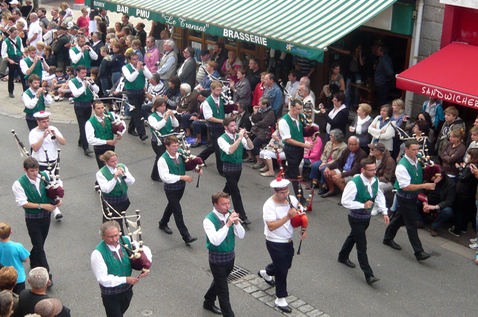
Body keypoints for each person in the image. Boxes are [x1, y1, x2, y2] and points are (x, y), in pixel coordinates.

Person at [258, 178, 307, 313]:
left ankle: (266, 272)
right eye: (282, 193)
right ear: (275, 191)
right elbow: (271, 226)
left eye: (287, 191)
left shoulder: (291, 199)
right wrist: (287, 217)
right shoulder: (269, 205)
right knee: (282, 270)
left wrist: (303, 228)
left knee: (286, 265)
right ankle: (280, 298)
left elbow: (299, 213)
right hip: (274, 241)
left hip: (288, 240)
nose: (285, 195)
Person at [338, 158, 389, 285]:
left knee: (353, 236)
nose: (374, 172)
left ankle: (342, 256)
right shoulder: (354, 183)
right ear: (362, 170)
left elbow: (378, 195)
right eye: (371, 170)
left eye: (375, 169)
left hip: (366, 218)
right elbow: (345, 201)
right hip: (356, 218)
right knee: (362, 245)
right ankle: (369, 274)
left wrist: (384, 212)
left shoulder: (375, 180)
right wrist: (362, 205)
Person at [382, 139, 436, 261]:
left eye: (417, 149)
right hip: (405, 197)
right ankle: (419, 252)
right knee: (411, 224)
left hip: (413, 196)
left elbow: (423, 169)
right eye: (413, 150)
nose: (416, 152)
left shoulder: (417, 158)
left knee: (400, 217)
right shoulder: (401, 166)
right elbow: (405, 186)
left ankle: (387, 238)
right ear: (405, 150)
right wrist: (424, 186)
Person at [11, 157, 61, 282]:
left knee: (39, 245)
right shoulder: (18, 184)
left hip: (46, 217)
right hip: (32, 219)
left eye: (37, 170)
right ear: (25, 170)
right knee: (39, 246)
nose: (35, 174)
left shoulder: (43, 176)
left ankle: (33, 262)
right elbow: (22, 203)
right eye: (32, 171)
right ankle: (47, 276)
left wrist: (57, 200)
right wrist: (42, 205)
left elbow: (52, 190)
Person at [91, 221, 150, 317]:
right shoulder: (97, 254)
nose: (114, 239)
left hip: (127, 290)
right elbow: (103, 279)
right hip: (111, 295)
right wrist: (126, 279)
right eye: (110, 236)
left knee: (121, 312)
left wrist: (146, 266)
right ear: (103, 236)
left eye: (116, 235)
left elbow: (144, 250)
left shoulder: (126, 240)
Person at [203, 192, 245, 316]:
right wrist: (228, 224)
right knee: (223, 291)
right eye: (223, 204)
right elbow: (215, 240)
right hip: (217, 260)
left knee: (219, 282)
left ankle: (208, 301)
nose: (227, 206)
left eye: (228, 203)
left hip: (230, 257)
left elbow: (241, 236)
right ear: (215, 205)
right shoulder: (208, 220)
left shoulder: (230, 215)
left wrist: (236, 223)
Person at [157, 136, 201, 244]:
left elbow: (186, 164)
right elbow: (165, 177)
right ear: (167, 146)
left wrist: (196, 169)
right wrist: (182, 177)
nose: (176, 148)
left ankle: (163, 223)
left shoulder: (180, 153)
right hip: (171, 188)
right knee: (177, 211)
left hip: (181, 186)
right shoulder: (163, 160)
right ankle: (186, 236)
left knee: (171, 206)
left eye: (177, 145)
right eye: (173, 146)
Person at [29, 111, 65, 220]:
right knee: (45, 186)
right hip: (40, 164)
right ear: (38, 121)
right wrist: (43, 137)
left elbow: (63, 142)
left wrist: (55, 134)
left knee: (54, 185)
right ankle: (54, 208)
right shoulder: (33, 133)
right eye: (44, 122)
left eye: (48, 121)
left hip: (53, 162)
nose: (47, 124)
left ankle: (54, 205)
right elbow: (35, 148)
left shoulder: (53, 128)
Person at [218, 117, 253, 224]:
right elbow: (230, 151)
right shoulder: (221, 139)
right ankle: (242, 216)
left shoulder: (239, 136)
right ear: (226, 127)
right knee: (235, 192)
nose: (235, 128)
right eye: (232, 126)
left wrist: (246, 137)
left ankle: (217, 202)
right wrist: (239, 138)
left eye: (235, 125)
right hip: (228, 168)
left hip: (238, 167)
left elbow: (251, 147)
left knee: (228, 190)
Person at [279, 99, 314, 203]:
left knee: (291, 171)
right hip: (291, 149)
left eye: (300, 109)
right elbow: (287, 139)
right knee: (295, 174)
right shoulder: (284, 121)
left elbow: (304, 130)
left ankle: (282, 185)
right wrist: (305, 145)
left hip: (299, 148)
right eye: (297, 109)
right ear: (291, 107)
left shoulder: (301, 117)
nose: (299, 111)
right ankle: (301, 199)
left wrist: (313, 134)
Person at [96, 151, 135, 226]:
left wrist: (125, 174)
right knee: (116, 223)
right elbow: (106, 189)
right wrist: (115, 178)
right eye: (112, 161)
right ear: (106, 162)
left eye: (116, 160)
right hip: (111, 201)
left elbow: (132, 182)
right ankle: (117, 236)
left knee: (116, 219)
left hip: (123, 199)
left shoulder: (122, 166)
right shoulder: (100, 173)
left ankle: (108, 232)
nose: (115, 163)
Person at [198, 81, 227, 175]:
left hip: (222, 126)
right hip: (213, 127)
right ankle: (221, 169)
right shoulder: (207, 102)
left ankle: (200, 158)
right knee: (218, 148)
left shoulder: (221, 98)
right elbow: (209, 118)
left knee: (214, 146)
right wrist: (222, 121)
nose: (219, 92)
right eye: (217, 90)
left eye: (220, 90)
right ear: (212, 90)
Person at [69, 65, 98, 156]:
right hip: (79, 105)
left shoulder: (87, 80)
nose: (84, 75)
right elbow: (76, 94)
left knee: (86, 123)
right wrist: (84, 87)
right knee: (83, 125)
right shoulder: (72, 82)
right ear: (77, 72)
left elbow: (97, 90)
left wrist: (92, 83)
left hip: (88, 104)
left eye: (85, 73)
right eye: (82, 73)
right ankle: (86, 147)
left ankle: (81, 141)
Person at [86, 101, 125, 169]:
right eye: (98, 108)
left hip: (111, 146)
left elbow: (122, 123)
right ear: (94, 109)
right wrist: (106, 142)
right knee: (103, 169)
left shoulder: (111, 115)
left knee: (112, 166)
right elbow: (90, 140)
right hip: (99, 148)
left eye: (102, 108)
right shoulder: (90, 122)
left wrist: (121, 133)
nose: (101, 110)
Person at [448, 148, 478, 237]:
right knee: (467, 211)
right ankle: (464, 228)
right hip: (472, 192)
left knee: (459, 210)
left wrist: (460, 168)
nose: (467, 156)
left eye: (469, 155)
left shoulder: (471, 167)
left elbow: (463, 178)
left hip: (464, 191)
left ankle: (457, 229)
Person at [123, 53, 152, 141]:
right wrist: (137, 70)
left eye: (137, 59)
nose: (136, 61)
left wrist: (144, 69)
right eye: (134, 59)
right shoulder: (125, 68)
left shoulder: (142, 65)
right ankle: (142, 133)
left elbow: (150, 77)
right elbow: (130, 79)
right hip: (131, 92)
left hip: (140, 92)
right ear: (130, 60)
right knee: (137, 112)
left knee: (137, 110)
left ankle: (131, 128)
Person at [148, 98, 179, 182]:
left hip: (168, 139)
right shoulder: (152, 117)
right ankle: (155, 175)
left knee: (170, 155)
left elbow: (176, 124)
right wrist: (165, 118)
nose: (164, 107)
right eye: (161, 106)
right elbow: (157, 127)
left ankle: (166, 172)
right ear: (157, 107)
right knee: (161, 156)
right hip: (158, 141)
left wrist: (172, 117)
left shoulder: (167, 114)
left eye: (164, 105)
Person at [311, 129, 347, 193]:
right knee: (315, 165)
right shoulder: (329, 143)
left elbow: (338, 160)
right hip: (325, 161)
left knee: (324, 169)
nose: (329, 137)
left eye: (331, 136)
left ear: (336, 137)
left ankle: (325, 186)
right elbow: (324, 154)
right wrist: (324, 161)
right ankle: (314, 183)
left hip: (334, 164)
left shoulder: (343, 147)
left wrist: (326, 163)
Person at [0, 223, 30, 294]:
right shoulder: (17, 246)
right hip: (17, 278)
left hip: (2, 277)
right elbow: (25, 259)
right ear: (11, 232)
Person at [250, 97, 276, 170]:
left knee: (254, 144)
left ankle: (260, 162)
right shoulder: (260, 110)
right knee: (249, 141)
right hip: (257, 130)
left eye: (260, 103)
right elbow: (254, 119)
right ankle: (253, 158)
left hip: (265, 132)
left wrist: (256, 124)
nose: (258, 104)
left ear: (265, 105)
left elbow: (264, 123)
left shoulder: (271, 113)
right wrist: (255, 112)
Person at [2, 27, 26, 98]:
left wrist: (23, 58)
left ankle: (25, 92)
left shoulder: (19, 39)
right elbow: (4, 53)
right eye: (14, 33)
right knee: (11, 76)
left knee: (23, 76)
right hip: (11, 58)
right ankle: (11, 92)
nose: (16, 35)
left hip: (19, 58)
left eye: (17, 33)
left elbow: (21, 49)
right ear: (10, 33)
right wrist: (9, 60)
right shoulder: (6, 41)